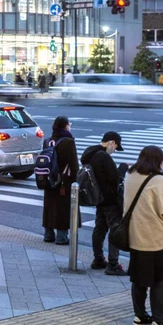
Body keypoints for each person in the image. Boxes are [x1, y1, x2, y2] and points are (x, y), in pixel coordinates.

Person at [124, 145, 163, 325]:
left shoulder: (131, 175)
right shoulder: (159, 181)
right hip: (157, 239)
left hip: (136, 236)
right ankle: (158, 320)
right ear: (159, 161)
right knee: (160, 280)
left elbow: (145, 196)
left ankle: (140, 316)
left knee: (139, 279)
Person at [81, 131, 127, 275]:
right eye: (116, 147)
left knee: (99, 229)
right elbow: (115, 179)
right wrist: (123, 167)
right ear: (111, 142)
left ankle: (98, 259)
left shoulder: (89, 153)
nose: (115, 151)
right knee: (115, 229)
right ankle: (113, 264)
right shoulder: (103, 157)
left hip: (98, 198)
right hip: (110, 200)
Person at [42, 116, 79, 245]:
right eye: (69, 124)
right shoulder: (68, 141)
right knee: (63, 207)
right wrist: (77, 180)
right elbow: (74, 165)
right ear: (66, 126)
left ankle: (48, 234)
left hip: (49, 180)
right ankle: (61, 237)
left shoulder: (47, 141)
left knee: (49, 206)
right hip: (64, 181)